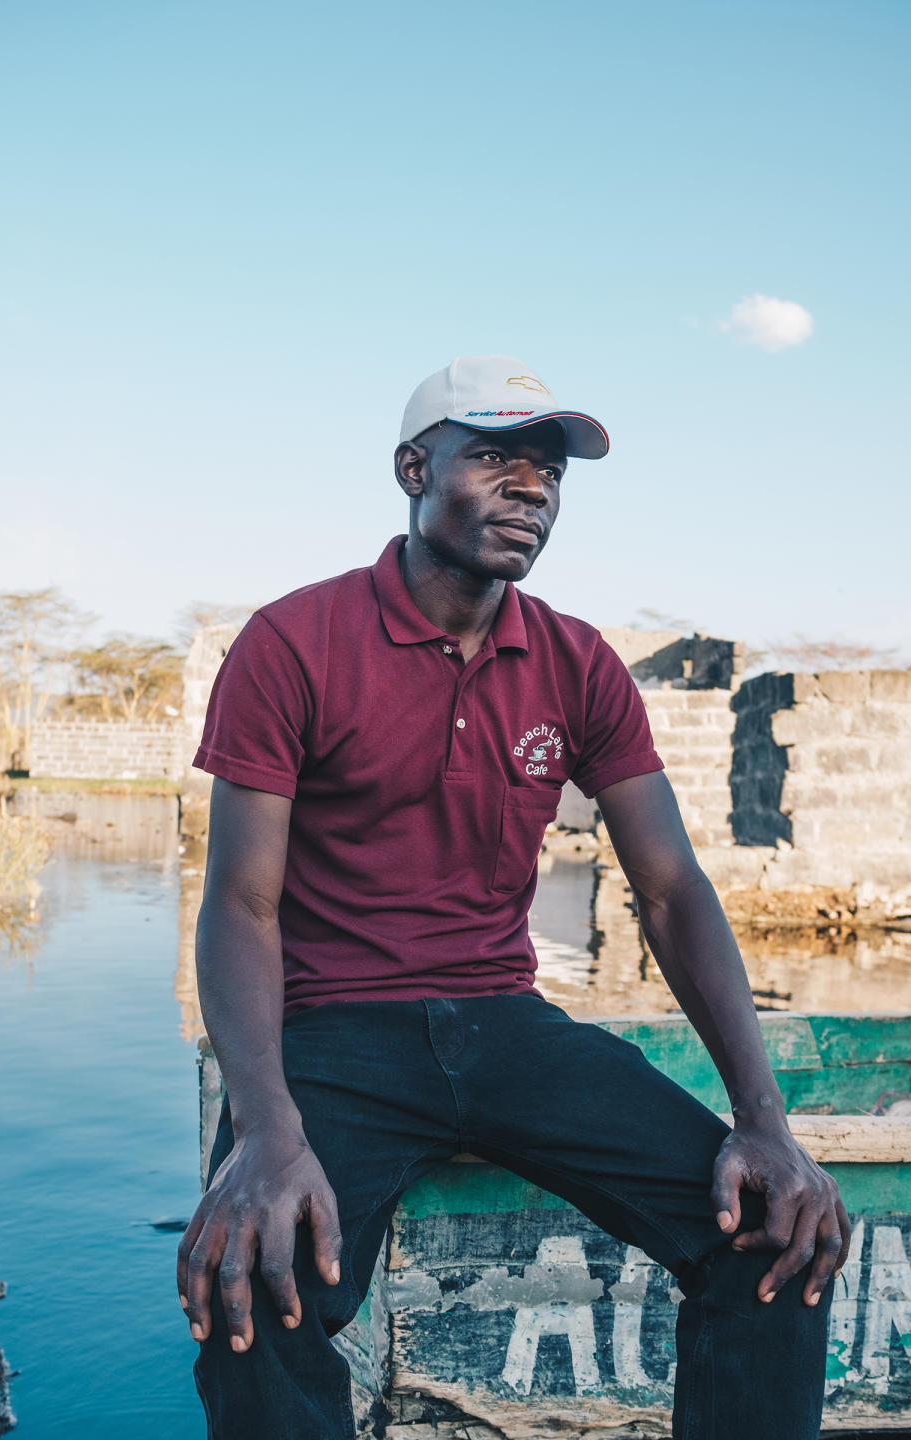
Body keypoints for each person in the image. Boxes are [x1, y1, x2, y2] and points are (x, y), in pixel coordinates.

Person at [178, 355, 849, 1439]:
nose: (531, 488)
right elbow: (241, 906)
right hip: (334, 1031)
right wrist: (262, 1130)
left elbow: (672, 890)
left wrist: (764, 1123)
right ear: (412, 468)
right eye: (494, 457)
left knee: (775, 1233)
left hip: (506, 1023)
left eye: (548, 472)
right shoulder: (293, 643)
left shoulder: (580, 664)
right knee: (254, 1284)